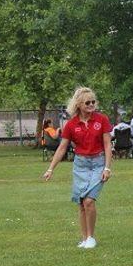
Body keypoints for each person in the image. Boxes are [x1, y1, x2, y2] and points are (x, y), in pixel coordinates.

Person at [42, 87, 112, 249]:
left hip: (98, 163)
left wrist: (107, 168)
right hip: (80, 165)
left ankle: (91, 237)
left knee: (89, 201)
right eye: (87, 102)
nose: (91, 104)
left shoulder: (102, 120)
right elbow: (62, 147)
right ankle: (84, 238)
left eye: (93, 102)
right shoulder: (71, 124)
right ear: (79, 105)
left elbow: (108, 145)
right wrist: (51, 169)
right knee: (81, 203)